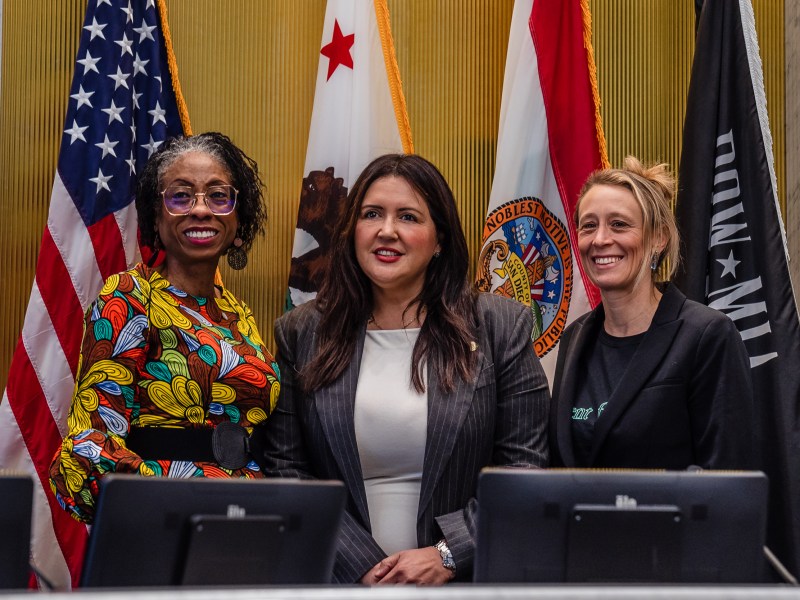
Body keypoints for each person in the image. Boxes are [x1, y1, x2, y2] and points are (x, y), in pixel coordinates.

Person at [263, 153, 550, 584]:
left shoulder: (499, 327)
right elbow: (286, 471)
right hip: (340, 584)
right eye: (372, 214)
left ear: (439, 240)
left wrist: (448, 554)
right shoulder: (300, 333)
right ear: (351, 231)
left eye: (409, 217)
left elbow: (524, 471)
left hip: (467, 586)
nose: (387, 230)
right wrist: (363, 567)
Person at [49, 132, 280, 523]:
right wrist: (166, 492)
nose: (201, 209)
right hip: (162, 515)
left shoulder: (239, 314)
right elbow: (93, 439)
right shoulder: (129, 297)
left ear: (238, 219)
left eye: (218, 196)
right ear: (157, 217)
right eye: (181, 196)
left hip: (247, 516)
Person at [549, 156, 754, 470]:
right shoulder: (574, 338)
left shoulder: (707, 336)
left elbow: (727, 481)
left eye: (619, 224)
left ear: (659, 238)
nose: (601, 239)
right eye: (589, 226)